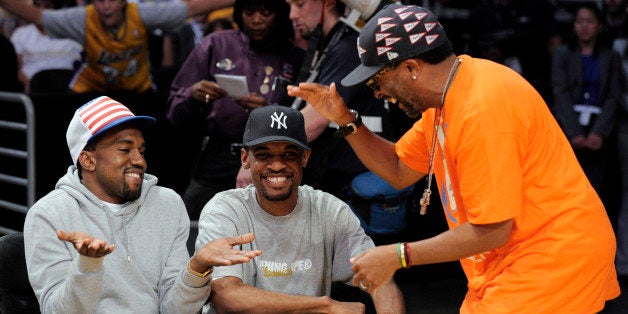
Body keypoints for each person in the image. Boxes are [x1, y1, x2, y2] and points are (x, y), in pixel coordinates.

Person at [288, 4, 620, 312]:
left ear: (411, 67)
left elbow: (492, 230)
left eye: (378, 80)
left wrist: (398, 256)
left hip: (552, 261)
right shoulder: (449, 96)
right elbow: (399, 168)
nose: (376, 93)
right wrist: (346, 119)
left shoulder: (482, 109)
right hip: (510, 263)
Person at [23, 96, 261, 313]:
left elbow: (175, 309)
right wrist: (88, 265)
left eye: (141, 150)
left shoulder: (167, 204)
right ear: (88, 160)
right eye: (125, 149)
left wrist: (196, 269)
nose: (139, 161)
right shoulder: (48, 215)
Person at [195, 105, 404, 313]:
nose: (276, 166)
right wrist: (324, 306)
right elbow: (227, 296)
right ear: (244, 158)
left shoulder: (330, 210)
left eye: (288, 155)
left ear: (304, 157)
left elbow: (381, 280)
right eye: (264, 155)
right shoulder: (225, 210)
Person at [167, 0, 304, 220]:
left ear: (279, 15)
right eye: (250, 11)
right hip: (218, 155)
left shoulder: (295, 57)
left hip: (271, 159)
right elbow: (174, 110)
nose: (257, 19)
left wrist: (268, 113)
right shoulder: (215, 44)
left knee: (270, 226)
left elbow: (305, 118)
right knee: (188, 224)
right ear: (239, 14)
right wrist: (193, 94)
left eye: (266, 12)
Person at [285, 0, 397, 204]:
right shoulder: (332, 46)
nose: (292, 14)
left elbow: (314, 122)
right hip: (343, 181)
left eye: (300, 4)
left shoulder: (347, 50)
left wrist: (262, 148)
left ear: (327, 4)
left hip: (352, 188)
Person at [0, 0, 236, 93]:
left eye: (111, 0)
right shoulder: (82, 19)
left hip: (137, 90)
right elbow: (38, 17)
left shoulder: (142, 14)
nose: (106, 8)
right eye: (100, 1)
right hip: (90, 91)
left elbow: (191, 9)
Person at [552, 2, 622, 224]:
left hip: (599, 129)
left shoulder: (611, 56)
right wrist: (574, 133)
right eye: (580, 21)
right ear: (573, 25)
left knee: (598, 191)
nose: (584, 26)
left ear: (599, 25)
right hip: (569, 127)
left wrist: (598, 133)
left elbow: (613, 96)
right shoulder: (562, 54)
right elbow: (560, 92)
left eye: (590, 21)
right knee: (566, 190)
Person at [10, 0, 82, 93]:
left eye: (47, 6)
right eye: (37, 5)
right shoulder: (21, 34)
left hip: (68, 92)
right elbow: (15, 68)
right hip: (32, 93)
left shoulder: (72, 34)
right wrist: (26, 84)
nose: (41, 10)